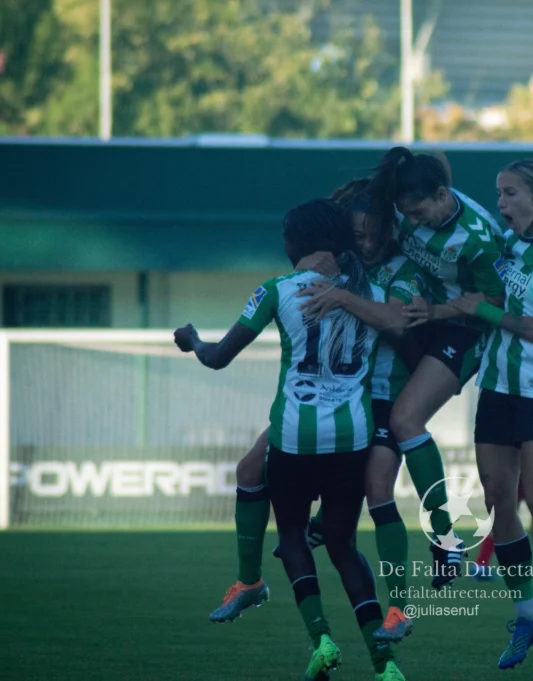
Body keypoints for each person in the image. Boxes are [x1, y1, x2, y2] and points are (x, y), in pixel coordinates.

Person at [174, 198, 406, 681]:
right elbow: (402, 332)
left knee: (295, 537)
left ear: (296, 241)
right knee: (343, 546)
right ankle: (385, 666)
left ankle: (320, 639)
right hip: (353, 439)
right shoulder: (373, 292)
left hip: (295, 439)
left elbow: (217, 358)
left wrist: (193, 340)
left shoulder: (276, 291)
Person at [449, 159, 533, 673]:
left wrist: (479, 310)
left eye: (510, 193)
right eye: (499, 195)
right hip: (496, 387)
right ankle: (527, 617)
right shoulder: (506, 246)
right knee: (498, 500)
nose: (502, 204)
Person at [365, 146, 509, 589]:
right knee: (375, 411)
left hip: (459, 329)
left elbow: (495, 301)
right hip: (418, 311)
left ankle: (446, 541)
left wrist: (436, 312)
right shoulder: (405, 201)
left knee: (406, 418)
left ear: (444, 195)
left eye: (420, 212)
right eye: (405, 213)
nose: (412, 221)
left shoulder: (480, 238)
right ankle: (330, 514)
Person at [299, 179, 429, 642]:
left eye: (377, 234)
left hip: (389, 396)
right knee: (258, 462)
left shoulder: (407, 271)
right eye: (359, 235)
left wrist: (346, 300)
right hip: (342, 396)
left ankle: (400, 607)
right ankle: (258, 566)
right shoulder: (342, 267)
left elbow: (396, 322)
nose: (369, 244)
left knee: (378, 491)